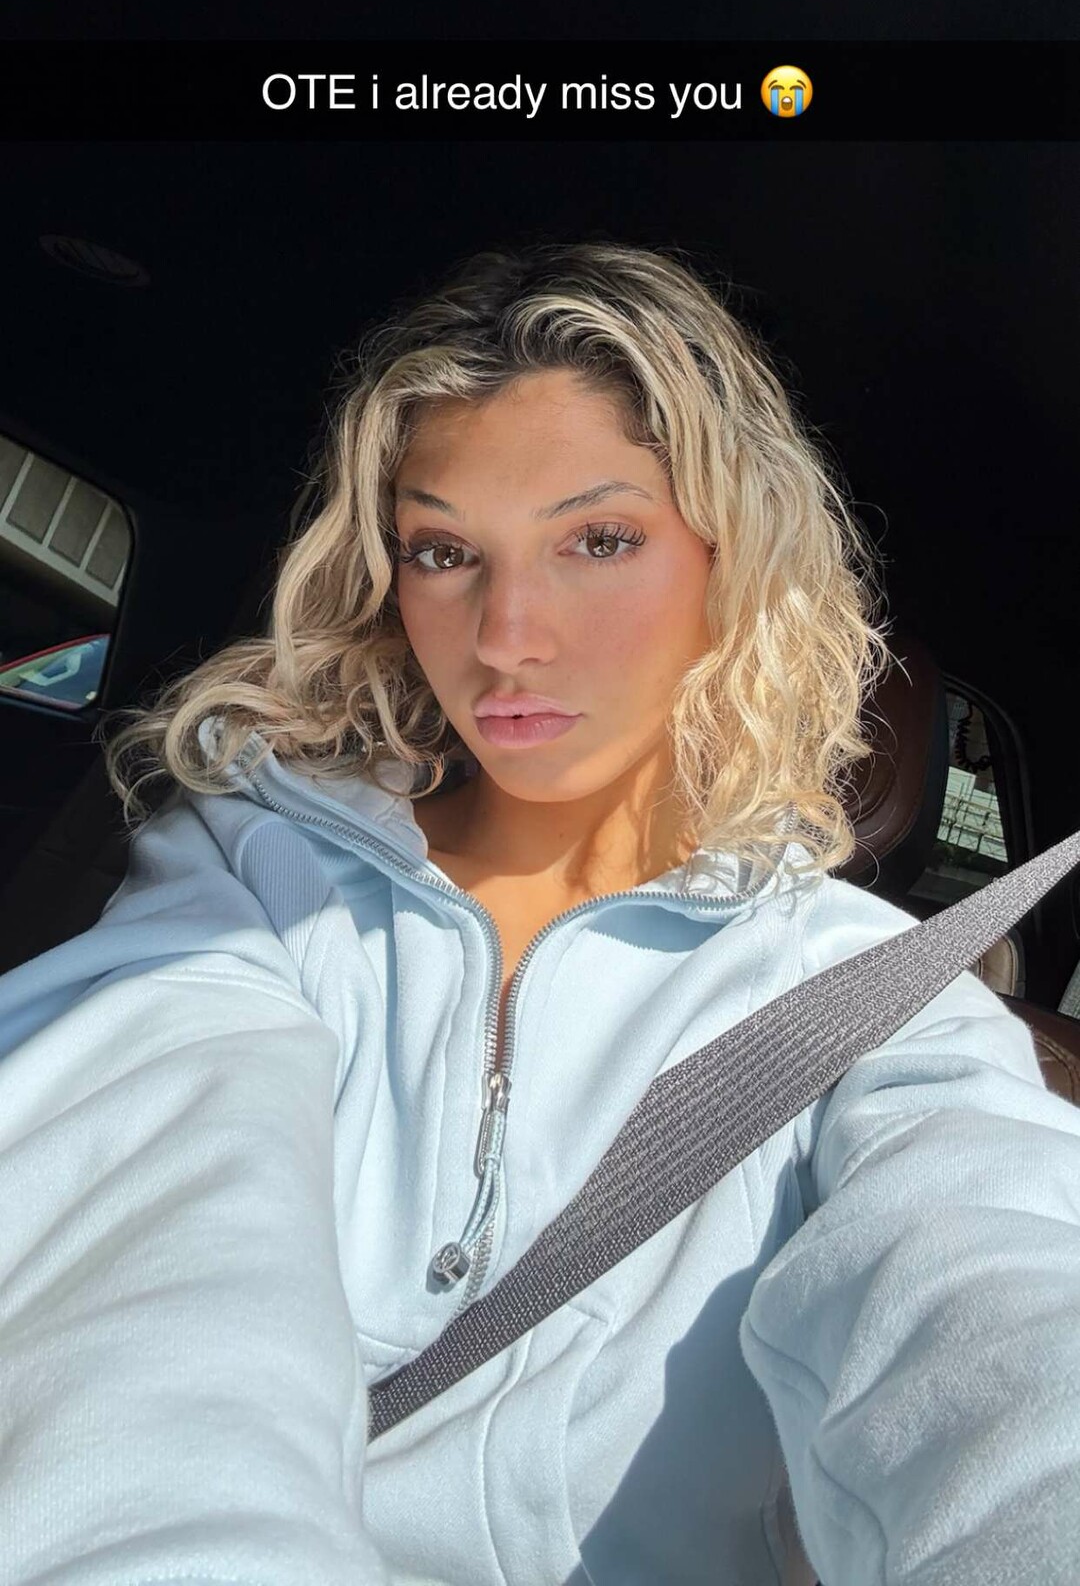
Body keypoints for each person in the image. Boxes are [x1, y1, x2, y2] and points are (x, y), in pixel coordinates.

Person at [0, 241, 1078, 1586]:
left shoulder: (877, 1004)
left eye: (599, 541)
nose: (507, 634)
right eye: (446, 551)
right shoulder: (253, 882)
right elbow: (140, 1273)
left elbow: (1004, 1322)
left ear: (733, 565)